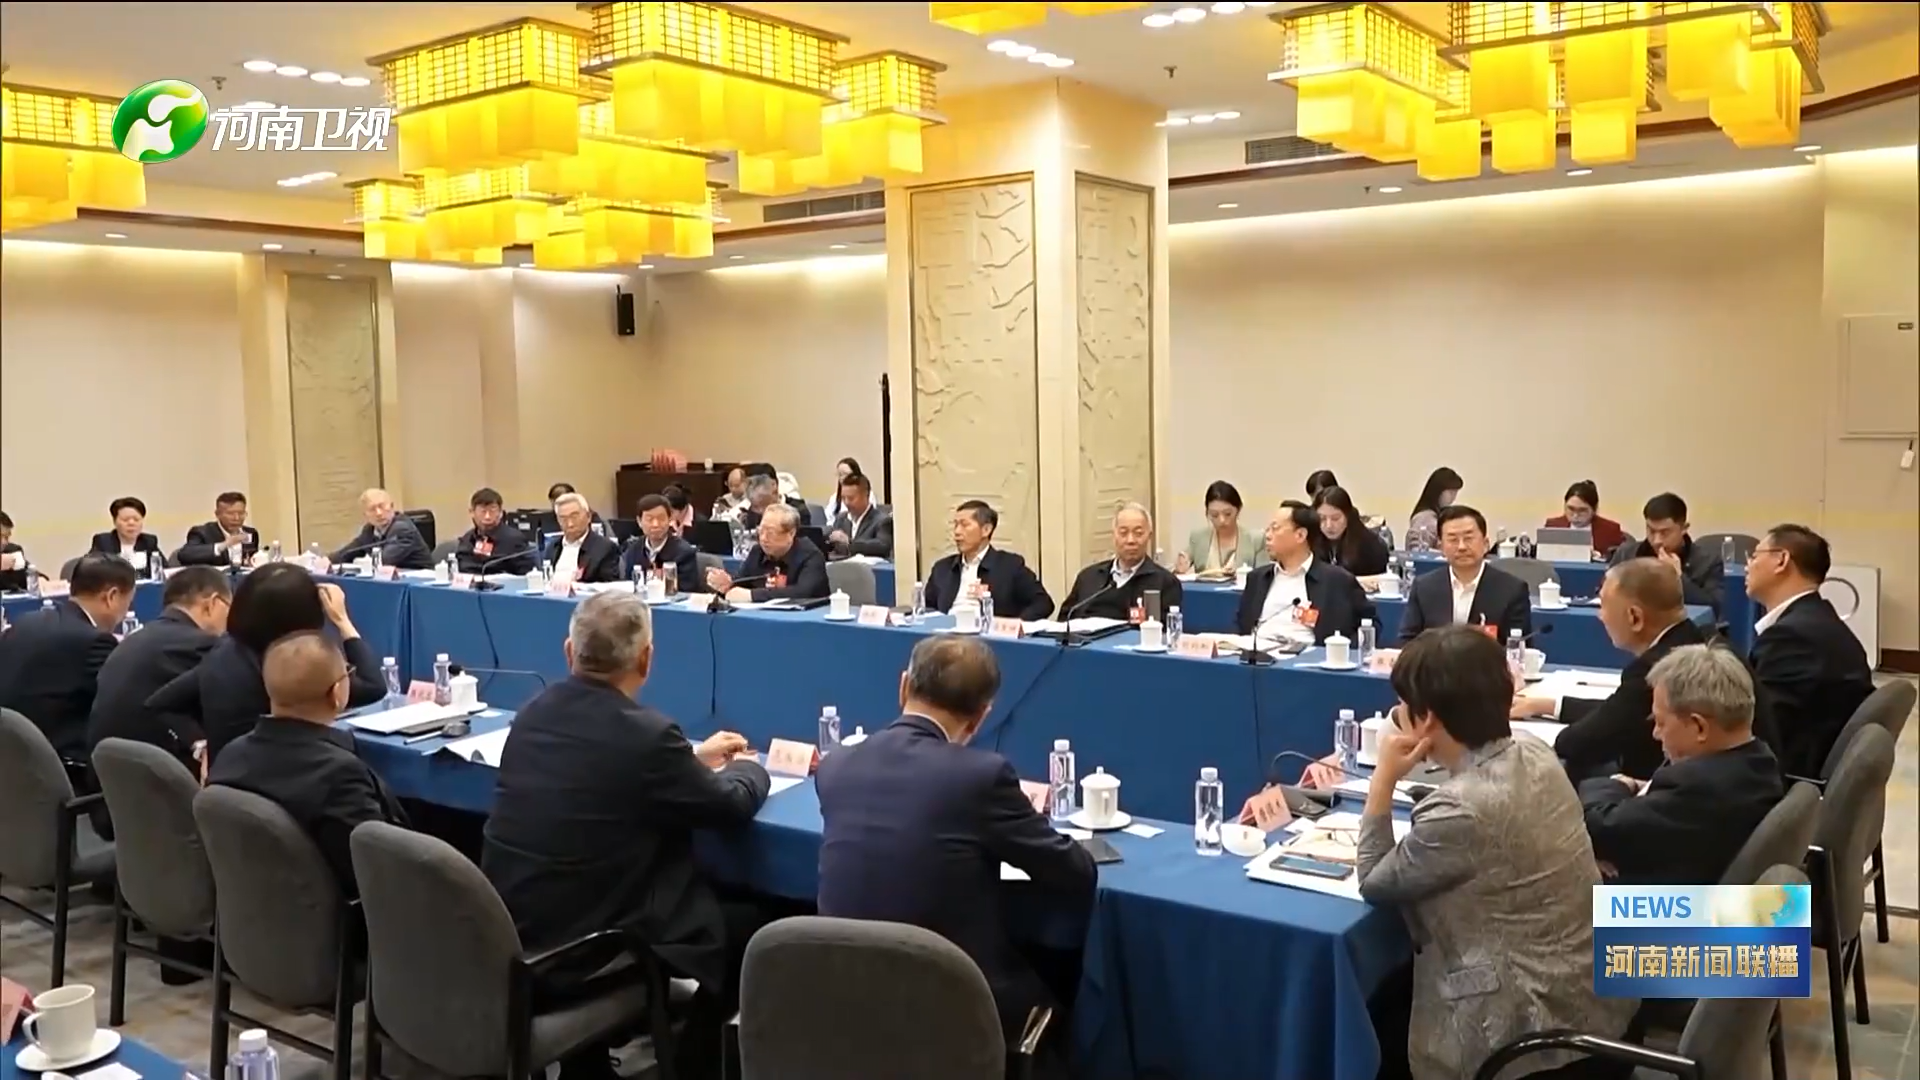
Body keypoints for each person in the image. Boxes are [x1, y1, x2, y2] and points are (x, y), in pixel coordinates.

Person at [483, 593, 768, 1080]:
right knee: (754, 930)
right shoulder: (648, 736)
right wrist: (749, 768)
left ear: (569, 652)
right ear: (646, 659)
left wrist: (690, 761)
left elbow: (604, 771)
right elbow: (731, 806)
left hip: (512, 931)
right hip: (584, 950)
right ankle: (691, 1066)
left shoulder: (531, 714)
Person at [1356, 626, 1634, 1080]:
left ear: (1426, 718)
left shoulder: (1459, 808)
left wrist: (1382, 780)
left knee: (1374, 1022)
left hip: (1528, 1031)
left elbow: (1374, 881)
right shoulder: (1535, 750)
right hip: (1592, 997)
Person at [817, 636, 1095, 1060]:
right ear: (981, 716)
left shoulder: (836, 763)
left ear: (903, 685)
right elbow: (1073, 872)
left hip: (845, 993)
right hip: (950, 1003)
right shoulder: (981, 776)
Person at [207, 631, 408, 897]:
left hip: (248, 909)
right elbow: (379, 872)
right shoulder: (339, 776)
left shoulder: (229, 756)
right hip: (339, 915)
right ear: (337, 693)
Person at [1580, 644, 1784, 885]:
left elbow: (1595, 827)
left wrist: (1619, 784)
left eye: (1661, 722)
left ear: (1699, 727)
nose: (1656, 733)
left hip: (1679, 905)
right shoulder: (1758, 759)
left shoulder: (1700, 788)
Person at [146, 563, 385, 759]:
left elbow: (161, 702)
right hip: (282, 784)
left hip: (227, 784)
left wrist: (200, 744)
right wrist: (343, 621)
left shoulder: (225, 650)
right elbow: (373, 687)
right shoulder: (292, 664)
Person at [1514, 558, 1711, 780]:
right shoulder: (1693, 638)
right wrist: (1547, 706)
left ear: (1635, 617)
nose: (1600, 616)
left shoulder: (1655, 669)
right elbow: (1620, 712)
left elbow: (1583, 742)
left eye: (1603, 605)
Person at [1745, 524, 1875, 777]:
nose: (1747, 565)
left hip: (1789, 779)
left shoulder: (1792, 637)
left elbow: (1762, 730)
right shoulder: (1817, 620)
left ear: (1781, 560)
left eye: (1754, 555)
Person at [88, 566, 231, 775]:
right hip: (159, 781)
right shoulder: (200, 645)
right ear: (212, 604)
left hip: (111, 779)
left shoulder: (132, 641)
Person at [0, 554, 135, 760]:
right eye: (128, 603)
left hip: (10, 755)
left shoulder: (26, 621)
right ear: (112, 597)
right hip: (57, 760)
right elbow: (118, 705)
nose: (126, 613)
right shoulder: (94, 642)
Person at [1235, 503, 1373, 646]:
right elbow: (1242, 624)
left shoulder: (1337, 580)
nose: (1268, 536)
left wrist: (1343, 650)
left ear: (1300, 535)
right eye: (1268, 529)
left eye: (1275, 529)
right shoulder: (1257, 578)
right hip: (1257, 651)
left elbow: (1369, 623)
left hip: (1306, 654)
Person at [1394, 505, 1531, 645]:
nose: (1462, 547)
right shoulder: (1424, 587)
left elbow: (1519, 646)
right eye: (1453, 540)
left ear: (1485, 544)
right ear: (1441, 548)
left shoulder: (1512, 590)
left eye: (1468, 538)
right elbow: (1407, 641)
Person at [923, 501, 1054, 620]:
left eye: (964, 525)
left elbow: (1043, 603)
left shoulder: (1010, 566)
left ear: (986, 530)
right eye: (955, 525)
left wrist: (1015, 625)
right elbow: (928, 610)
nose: (957, 532)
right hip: (946, 635)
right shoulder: (942, 568)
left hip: (990, 635)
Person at [1058, 503, 1182, 622]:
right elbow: (1064, 621)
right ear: (1114, 535)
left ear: (1149, 536)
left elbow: (1166, 630)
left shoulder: (1165, 582)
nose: (1130, 540)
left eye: (1138, 533)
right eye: (1123, 533)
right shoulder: (1088, 577)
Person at [1607, 492, 1723, 618]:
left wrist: (1678, 578)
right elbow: (1603, 595)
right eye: (1651, 531)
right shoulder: (1626, 554)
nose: (1657, 541)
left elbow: (1713, 610)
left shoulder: (1708, 562)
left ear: (1684, 528)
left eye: (1665, 533)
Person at [704, 503, 830, 603]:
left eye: (770, 532)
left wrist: (752, 595)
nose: (763, 538)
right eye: (761, 531)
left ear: (791, 533)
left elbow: (803, 593)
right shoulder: (757, 552)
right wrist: (727, 585)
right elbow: (741, 584)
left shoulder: (811, 556)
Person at [1175, 480, 1268, 575]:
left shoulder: (1255, 540)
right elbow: (1182, 565)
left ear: (1238, 509)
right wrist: (1180, 566)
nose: (1221, 520)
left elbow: (1264, 576)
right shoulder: (1198, 538)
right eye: (1214, 515)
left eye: (1228, 514)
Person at [332, 488, 431, 570]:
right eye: (372, 509)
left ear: (392, 506)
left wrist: (360, 563)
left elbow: (384, 560)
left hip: (422, 581)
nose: (379, 513)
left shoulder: (402, 529)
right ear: (365, 515)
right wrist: (329, 560)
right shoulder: (369, 530)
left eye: (382, 506)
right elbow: (349, 551)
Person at [622, 493, 702, 588]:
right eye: (649, 519)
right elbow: (628, 585)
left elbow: (686, 590)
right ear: (639, 521)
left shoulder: (684, 553)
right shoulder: (633, 550)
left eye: (661, 518)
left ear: (670, 519)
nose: (655, 524)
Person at [455, 487, 536, 576]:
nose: (487, 517)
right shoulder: (467, 540)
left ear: (501, 513)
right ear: (472, 512)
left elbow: (526, 575)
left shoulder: (514, 539)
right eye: (483, 511)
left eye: (492, 511)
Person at [545, 493, 622, 585]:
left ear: (588, 517)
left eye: (574, 517)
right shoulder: (552, 547)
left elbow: (610, 587)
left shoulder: (604, 548)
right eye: (563, 519)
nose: (570, 524)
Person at [1313, 485, 1390, 577]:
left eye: (1335, 518)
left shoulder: (1370, 545)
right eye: (1322, 518)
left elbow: (1380, 579)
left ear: (1348, 516)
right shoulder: (1310, 541)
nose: (1328, 525)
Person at [1544, 480, 1627, 560]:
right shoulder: (1552, 526)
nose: (1575, 515)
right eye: (1571, 509)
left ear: (1594, 509)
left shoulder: (1610, 530)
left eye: (1582, 510)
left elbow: (1620, 561)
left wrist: (1599, 556)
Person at [176, 491, 261, 567]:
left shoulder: (251, 533)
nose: (236, 518)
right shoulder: (202, 532)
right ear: (217, 514)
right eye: (230, 513)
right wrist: (223, 545)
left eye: (241, 513)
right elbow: (185, 555)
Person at [827, 473, 893, 559]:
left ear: (866, 495)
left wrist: (850, 542)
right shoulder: (841, 519)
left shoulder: (882, 520)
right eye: (843, 498)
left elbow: (883, 547)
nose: (846, 502)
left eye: (851, 498)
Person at [89, 496, 163, 566]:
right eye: (125, 520)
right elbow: (89, 567)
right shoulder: (103, 542)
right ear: (114, 522)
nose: (131, 523)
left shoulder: (149, 542)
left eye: (136, 519)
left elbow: (164, 568)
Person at [1404, 466, 1463, 552]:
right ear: (1438, 491)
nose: (1453, 497)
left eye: (1455, 493)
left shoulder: (1435, 516)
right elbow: (1418, 550)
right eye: (1451, 492)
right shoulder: (1425, 518)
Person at [823, 456, 862, 524]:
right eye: (839, 474)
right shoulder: (835, 497)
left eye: (845, 474)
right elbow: (828, 518)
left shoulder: (866, 494)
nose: (842, 478)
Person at [0, 510, 29, 592]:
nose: (4, 542)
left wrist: (39, 579)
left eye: (6, 537)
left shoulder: (12, 551)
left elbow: (29, 571)